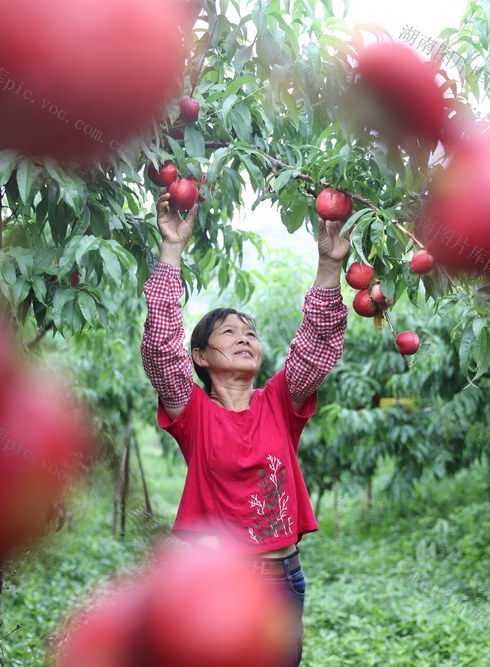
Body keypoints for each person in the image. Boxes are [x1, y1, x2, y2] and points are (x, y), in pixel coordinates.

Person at [140, 192, 350, 665]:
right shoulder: (192, 412)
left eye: (250, 333)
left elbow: (317, 345)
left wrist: (328, 265)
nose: (245, 338)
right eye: (229, 333)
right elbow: (159, 347)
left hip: (285, 579)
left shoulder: (277, 401)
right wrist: (171, 250)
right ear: (200, 357)